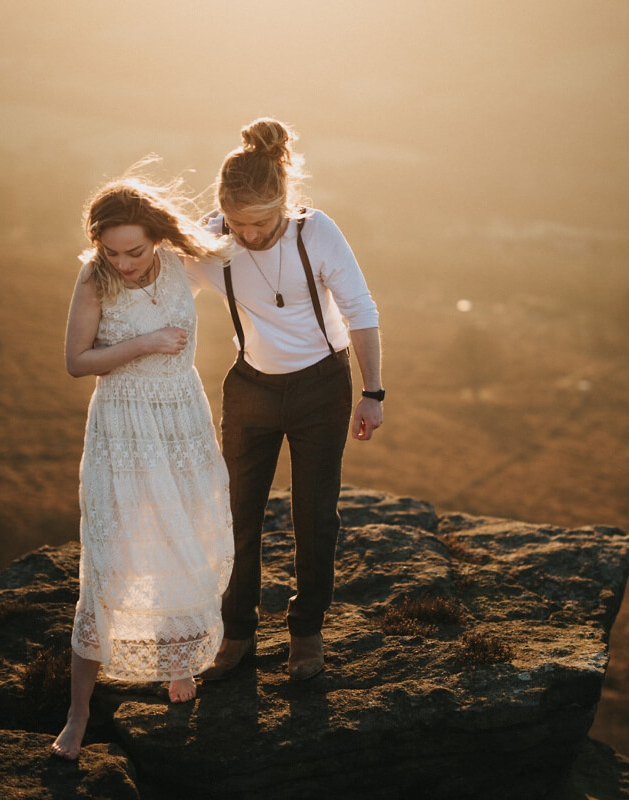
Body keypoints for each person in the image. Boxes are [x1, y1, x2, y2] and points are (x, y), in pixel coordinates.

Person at [187, 118, 384, 682]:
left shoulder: (315, 232)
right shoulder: (213, 235)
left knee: (314, 515)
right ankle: (238, 634)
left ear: (285, 202)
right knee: (236, 515)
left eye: (258, 223)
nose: (246, 235)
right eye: (236, 223)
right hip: (250, 386)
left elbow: (360, 312)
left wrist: (372, 393)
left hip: (322, 385)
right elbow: (162, 282)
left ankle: (307, 634)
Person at [51, 179, 234, 761]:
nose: (124, 263)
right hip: (122, 432)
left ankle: (179, 659)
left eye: (135, 251)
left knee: (184, 538)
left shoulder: (184, 262)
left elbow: (237, 226)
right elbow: (77, 362)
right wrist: (147, 341)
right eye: (112, 252)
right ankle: (78, 714)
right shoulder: (93, 279)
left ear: (157, 238)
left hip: (182, 423)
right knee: (108, 563)